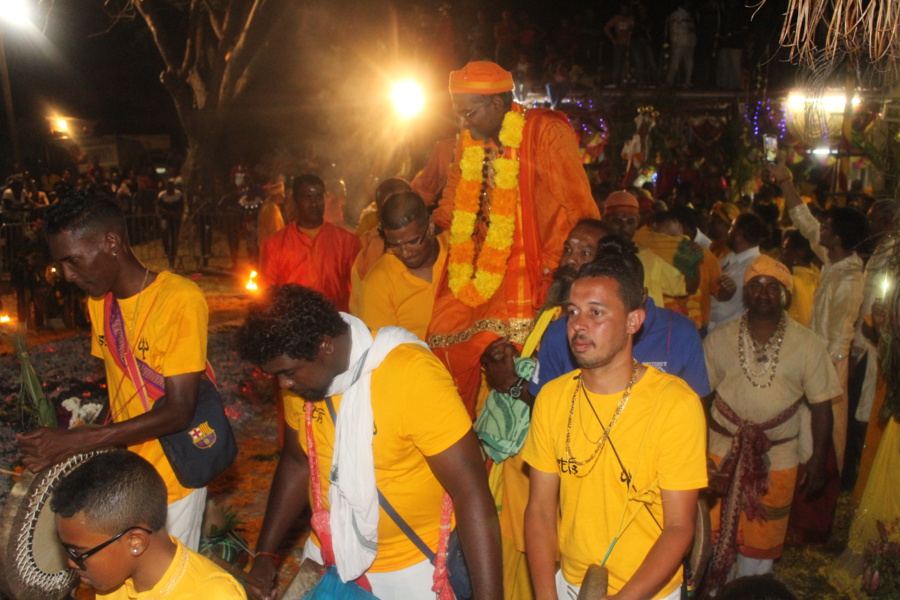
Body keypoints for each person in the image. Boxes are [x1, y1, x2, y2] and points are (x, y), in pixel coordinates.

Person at [237, 285, 502, 600]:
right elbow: (297, 462)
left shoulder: (411, 374)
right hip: (329, 556)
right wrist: (265, 554)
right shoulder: (302, 383)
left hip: (415, 571)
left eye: (288, 372)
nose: (284, 384)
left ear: (324, 346)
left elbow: (470, 490)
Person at [17, 191, 211, 550]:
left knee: (166, 583)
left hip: (173, 472)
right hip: (126, 473)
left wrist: (81, 440)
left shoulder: (180, 299)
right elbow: (121, 388)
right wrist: (80, 445)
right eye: (61, 264)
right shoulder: (99, 302)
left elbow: (180, 411)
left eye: (73, 260)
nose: (67, 275)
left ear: (111, 242)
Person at [523, 252, 708, 600]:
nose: (580, 324)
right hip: (569, 585)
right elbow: (540, 511)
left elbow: (680, 527)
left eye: (597, 312)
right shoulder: (552, 398)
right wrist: (547, 595)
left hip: (647, 592)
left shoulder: (675, 404)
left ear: (633, 321)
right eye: (573, 312)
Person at [428, 61, 599, 416]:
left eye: (469, 112)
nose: (463, 122)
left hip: (537, 268)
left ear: (497, 104)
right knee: (443, 336)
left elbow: (580, 209)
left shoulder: (545, 131)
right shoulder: (468, 143)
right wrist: (429, 229)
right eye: (458, 114)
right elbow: (453, 199)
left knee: (515, 356)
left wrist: (566, 273)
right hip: (479, 269)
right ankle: (455, 433)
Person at [703, 255, 841, 587]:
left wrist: (818, 459)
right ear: (745, 293)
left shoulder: (808, 344)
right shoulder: (718, 338)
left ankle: (752, 591)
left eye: (773, 287)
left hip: (778, 456)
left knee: (762, 545)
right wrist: (697, 455)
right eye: (755, 285)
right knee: (710, 535)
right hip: (721, 450)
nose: (763, 293)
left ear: (785, 295)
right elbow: (700, 399)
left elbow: (823, 406)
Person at [773, 168, 867, 542]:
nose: (819, 231)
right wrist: (784, 182)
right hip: (817, 365)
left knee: (825, 442)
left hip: (830, 369)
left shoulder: (849, 279)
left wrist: (817, 380)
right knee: (808, 439)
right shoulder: (834, 264)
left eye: (827, 228)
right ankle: (801, 518)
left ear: (838, 238)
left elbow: (839, 339)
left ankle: (815, 524)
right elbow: (805, 222)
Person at [52, 450, 246, 599]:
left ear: (135, 542)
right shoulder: (112, 583)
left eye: (78, 553)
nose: (71, 562)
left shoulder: (214, 594)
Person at [259, 174, 360, 312]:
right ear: (295, 200)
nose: (314, 204)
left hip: (336, 327)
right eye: (307, 197)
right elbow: (267, 294)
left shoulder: (346, 242)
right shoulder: (275, 244)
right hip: (292, 328)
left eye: (318, 197)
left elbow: (359, 289)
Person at [358, 191, 447, 341]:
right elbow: (381, 350)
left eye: (412, 242)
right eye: (394, 245)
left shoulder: (459, 250)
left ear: (430, 226)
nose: (405, 253)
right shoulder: (379, 281)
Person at [603, 191, 696, 308]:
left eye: (630, 222)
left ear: (637, 222)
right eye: (617, 221)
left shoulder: (649, 255)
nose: (624, 228)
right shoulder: (594, 254)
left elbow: (685, 287)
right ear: (605, 221)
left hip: (648, 325)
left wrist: (692, 260)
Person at [350, 177, 412, 315]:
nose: (397, 213)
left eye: (403, 205)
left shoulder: (427, 241)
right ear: (379, 212)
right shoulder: (371, 250)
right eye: (389, 208)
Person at [708, 213, 768, 331]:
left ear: (739, 234)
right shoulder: (732, 257)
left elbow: (721, 310)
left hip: (724, 333)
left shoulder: (752, 268)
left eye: (731, 228)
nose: (728, 232)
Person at [780, 229, 819, 328]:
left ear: (799, 253)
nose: (782, 252)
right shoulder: (818, 274)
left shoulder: (790, 282)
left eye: (785, 248)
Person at [665, 0, 697, 87]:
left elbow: (693, 29)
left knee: (689, 63)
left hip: (690, 43)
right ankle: (669, 82)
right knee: (675, 63)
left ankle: (687, 82)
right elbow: (675, 30)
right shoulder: (676, 15)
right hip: (679, 43)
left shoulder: (690, 15)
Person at [156, 179, 184, 269]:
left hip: (175, 219)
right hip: (165, 218)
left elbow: (181, 206)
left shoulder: (179, 195)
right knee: (165, 233)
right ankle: (167, 251)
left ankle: (172, 258)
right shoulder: (162, 195)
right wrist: (168, 213)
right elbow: (159, 208)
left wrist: (175, 213)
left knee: (174, 238)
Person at [257, 179, 286, 249]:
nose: (284, 196)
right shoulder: (272, 209)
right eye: (282, 193)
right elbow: (275, 230)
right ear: (277, 195)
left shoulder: (268, 206)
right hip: (272, 247)